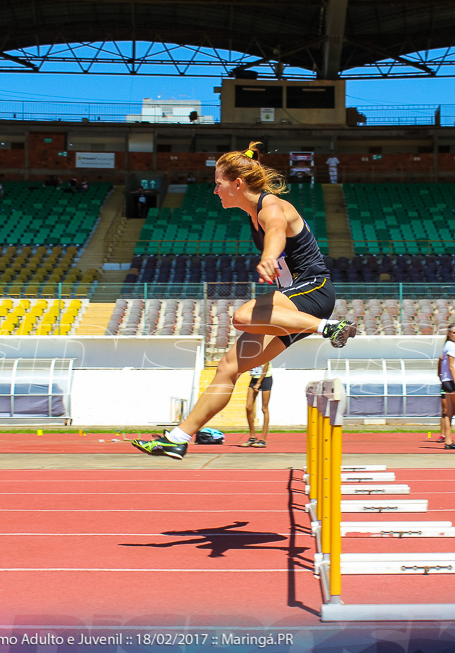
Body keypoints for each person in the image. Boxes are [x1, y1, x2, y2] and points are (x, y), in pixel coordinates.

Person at [132, 141, 357, 460]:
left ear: (236, 184)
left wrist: (268, 256)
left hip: (313, 290)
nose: (215, 191)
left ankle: (329, 327)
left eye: (217, 184)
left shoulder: (271, 206)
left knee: (242, 316)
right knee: (228, 368)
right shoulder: (253, 215)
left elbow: (277, 231)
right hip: (291, 310)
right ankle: (178, 437)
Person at [243, 362, 273, 448]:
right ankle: (252, 437)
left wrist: (259, 382)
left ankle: (263, 439)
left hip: (266, 378)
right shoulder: (251, 350)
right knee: (248, 407)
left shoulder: (265, 349)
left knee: (264, 408)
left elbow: (266, 365)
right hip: (254, 378)